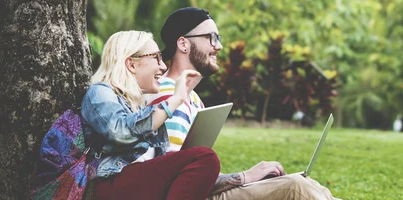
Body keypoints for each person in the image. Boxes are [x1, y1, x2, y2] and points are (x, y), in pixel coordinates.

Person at [145, 7, 338, 199]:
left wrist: (255, 178)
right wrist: (247, 176)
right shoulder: (168, 97)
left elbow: (196, 175)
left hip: (201, 191)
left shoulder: (194, 100)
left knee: (305, 183)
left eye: (218, 38)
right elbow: (176, 180)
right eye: (211, 37)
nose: (218, 46)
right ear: (183, 44)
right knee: (295, 186)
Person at [81, 30, 220, 199]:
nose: (163, 66)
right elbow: (120, 132)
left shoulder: (139, 103)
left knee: (199, 161)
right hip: (111, 184)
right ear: (131, 64)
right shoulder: (100, 92)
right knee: (204, 158)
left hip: (136, 181)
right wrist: (175, 100)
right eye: (156, 58)